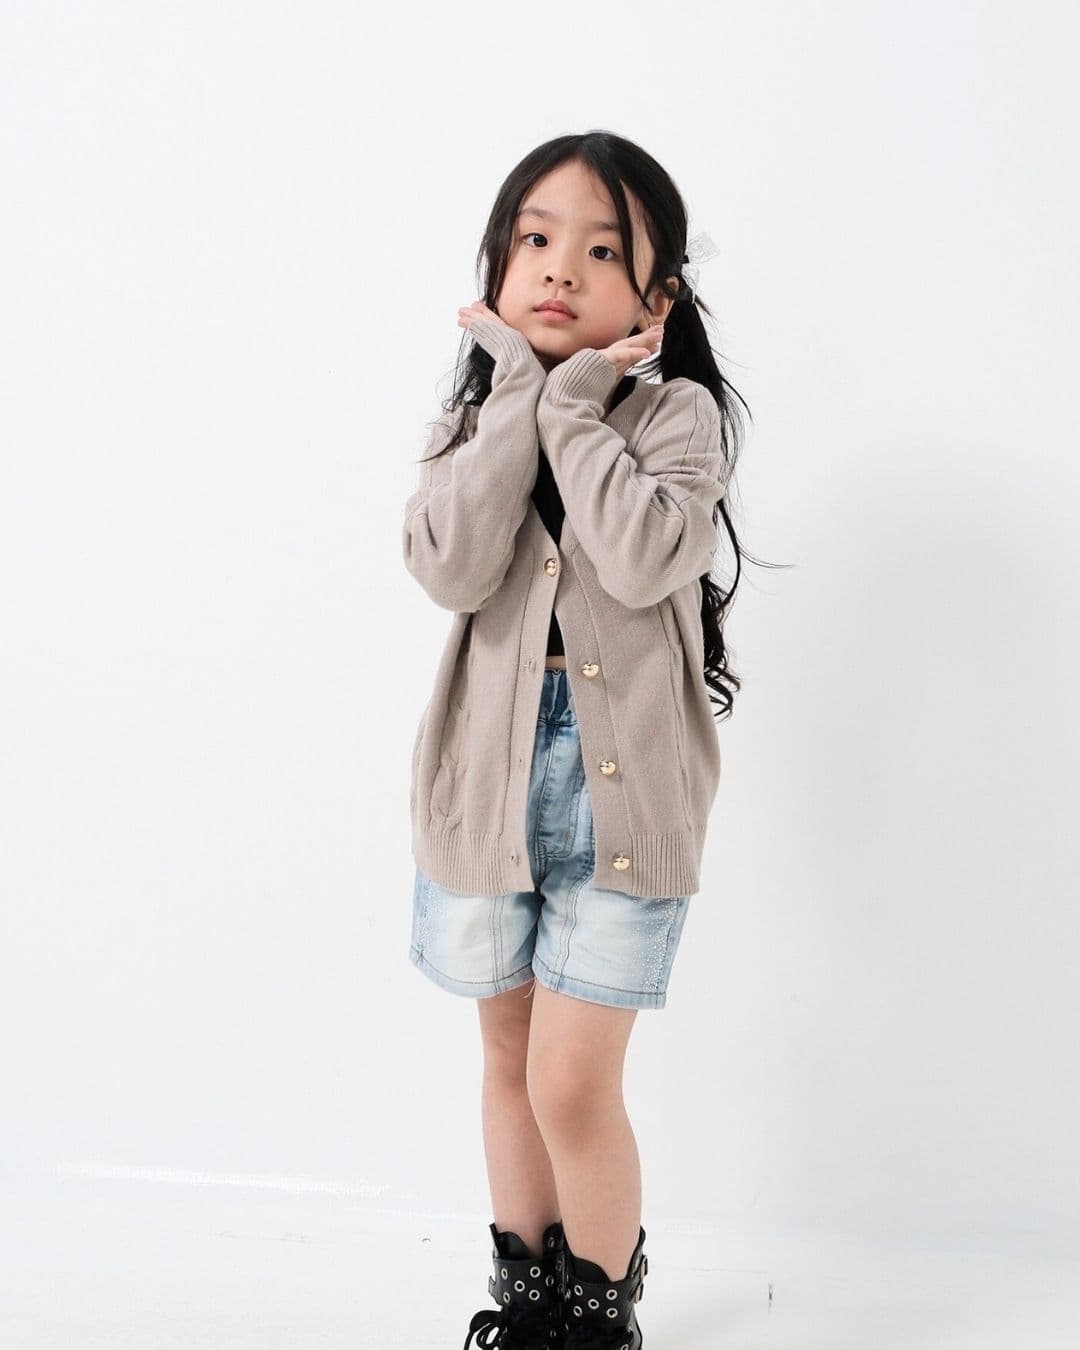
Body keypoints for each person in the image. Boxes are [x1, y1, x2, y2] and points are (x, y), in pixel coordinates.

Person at [401, 129, 751, 1349]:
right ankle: (529, 1307)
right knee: (508, 1057)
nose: (559, 268)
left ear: (655, 300)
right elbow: (450, 567)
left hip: (627, 798)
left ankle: (598, 1321)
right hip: (481, 789)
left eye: (602, 251)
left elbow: (647, 556)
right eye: (535, 240)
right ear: (498, 266)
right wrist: (516, 403)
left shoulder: (677, 418)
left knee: (570, 1078)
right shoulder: (472, 419)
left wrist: (574, 405)